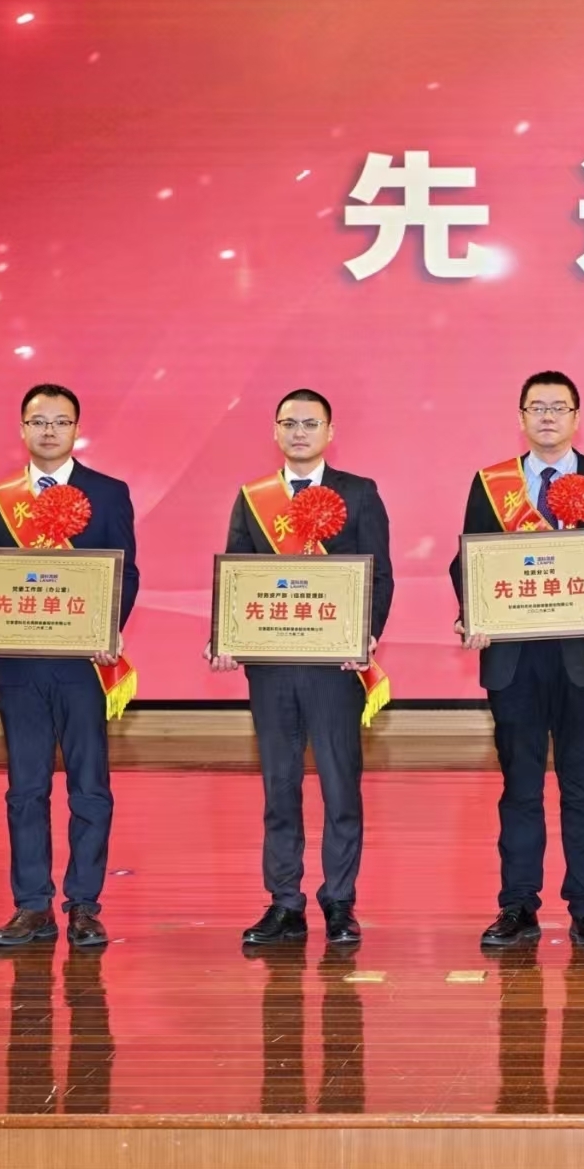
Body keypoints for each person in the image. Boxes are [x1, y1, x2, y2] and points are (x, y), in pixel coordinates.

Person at [461, 370, 584, 951]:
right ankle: (517, 905)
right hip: (512, 658)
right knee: (519, 785)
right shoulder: (491, 485)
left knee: (582, 783)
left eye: (558, 407)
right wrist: (473, 612)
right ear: (521, 417)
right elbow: (468, 561)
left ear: (576, 417)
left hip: (583, 655)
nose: (547, 416)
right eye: (536, 407)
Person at [0, 382, 136, 951]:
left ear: (77, 429)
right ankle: (32, 905)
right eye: (39, 421)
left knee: (89, 788)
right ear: (22, 428)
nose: (49, 431)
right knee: (25, 789)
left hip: (83, 665)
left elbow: (127, 572)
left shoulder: (108, 492)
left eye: (61, 422)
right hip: (18, 665)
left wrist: (108, 629)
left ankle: (84, 904)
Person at [221, 388, 389, 948]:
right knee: (279, 787)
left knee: (341, 787)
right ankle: (284, 902)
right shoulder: (253, 498)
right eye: (289, 423)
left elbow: (380, 575)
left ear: (329, 432)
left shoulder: (359, 493)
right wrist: (227, 635)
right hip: (271, 667)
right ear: (275, 431)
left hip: (335, 667)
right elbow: (238, 576)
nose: (299, 432)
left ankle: (340, 901)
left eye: (310, 423)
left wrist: (366, 635)